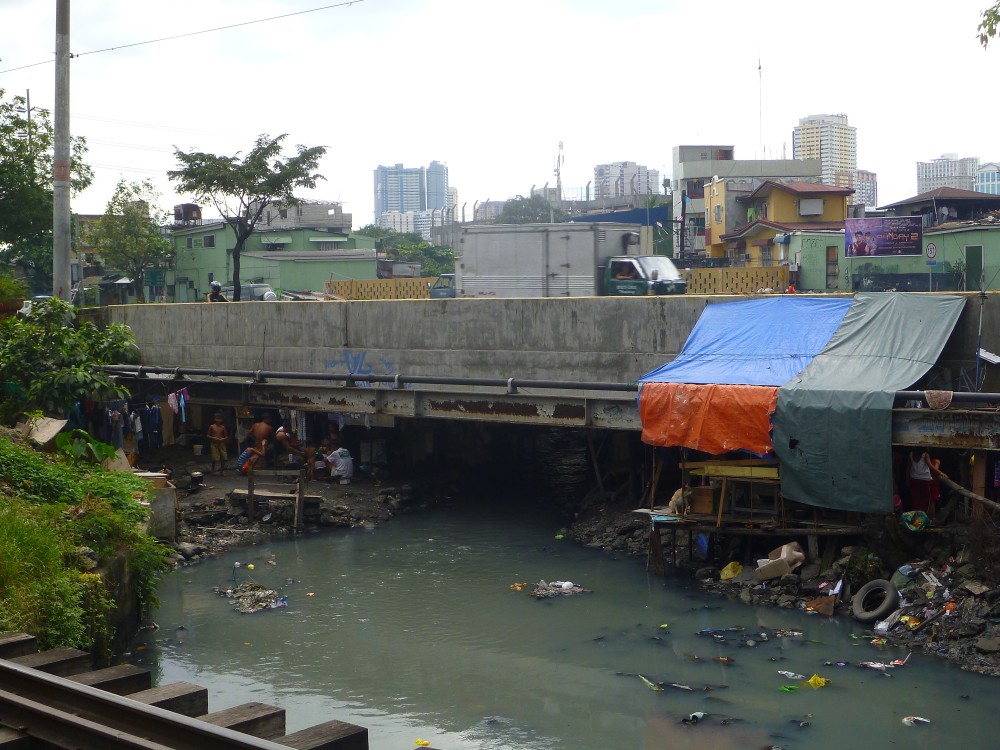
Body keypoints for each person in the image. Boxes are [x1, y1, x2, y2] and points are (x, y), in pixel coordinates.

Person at [908, 450, 943, 516]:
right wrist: (941, 473)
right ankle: (926, 518)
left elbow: (908, 467)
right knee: (929, 502)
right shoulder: (930, 458)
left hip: (915, 479)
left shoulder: (911, 454)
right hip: (927, 481)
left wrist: (907, 479)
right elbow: (932, 468)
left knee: (917, 500)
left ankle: (917, 518)